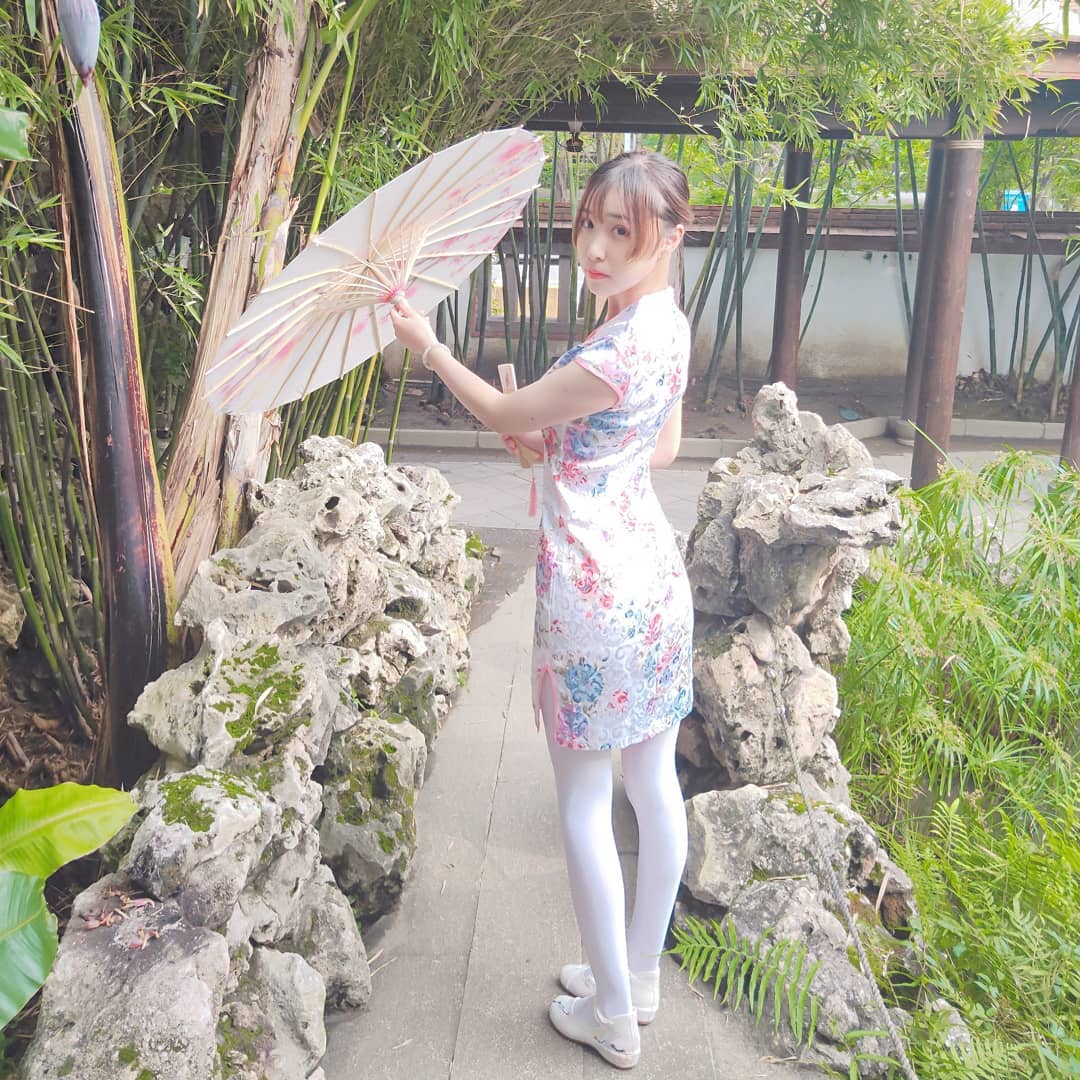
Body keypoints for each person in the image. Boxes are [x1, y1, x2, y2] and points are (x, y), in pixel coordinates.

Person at [390, 148, 694, 1071]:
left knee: (585, 803)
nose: (595, 249)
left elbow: (502, 410)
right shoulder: (666, 325)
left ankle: (612, 1016)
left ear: (669, 235)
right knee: (653, 785)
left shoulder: (612, 348)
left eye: (620, 231)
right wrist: (557, 448)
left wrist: (428, 345)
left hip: (595, 596)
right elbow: (658, 449)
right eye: (589, 224)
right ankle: (636, 978)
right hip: (653, 580)